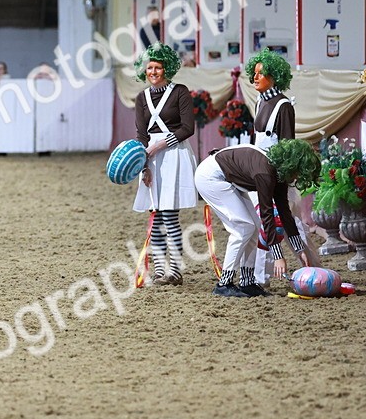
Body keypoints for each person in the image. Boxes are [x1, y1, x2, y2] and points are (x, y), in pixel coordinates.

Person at [194, 139, 320, 297]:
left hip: (228, 178)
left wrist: (299, 250)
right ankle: (224, 284)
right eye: (298, 173)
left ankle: (247, 282)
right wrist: (278, 257)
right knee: (243, 228)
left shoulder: (280, 173)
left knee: (253, 227)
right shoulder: (265, 173)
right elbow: (267, 215)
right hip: (210, 177)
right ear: (292, 165)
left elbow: (284, 214)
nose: (297, 178)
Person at [246, 49, 321, 282]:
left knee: (285, 220)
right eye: (254, 74)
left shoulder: (283, 106)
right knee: (262, 221)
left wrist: (281, 180)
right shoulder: (260, 101)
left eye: (260, 74)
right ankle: (260, 273)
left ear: (274, 76)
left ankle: (307, 263)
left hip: (276, 174)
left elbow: (287, 146)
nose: (255, 78)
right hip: (257, 171)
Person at [132, 44, 198, 285]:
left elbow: (188, 128)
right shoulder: (141, 97)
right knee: (156, 214)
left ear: (166, 68)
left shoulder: (180, 92)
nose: (153, 71)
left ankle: (176, 270)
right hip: (150, 156)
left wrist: (159, 146)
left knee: (169, 213)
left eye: (158, 67)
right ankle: (160, 270)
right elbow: (141, 134)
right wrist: (143, 164)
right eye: (149, 67)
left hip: (174, 153)